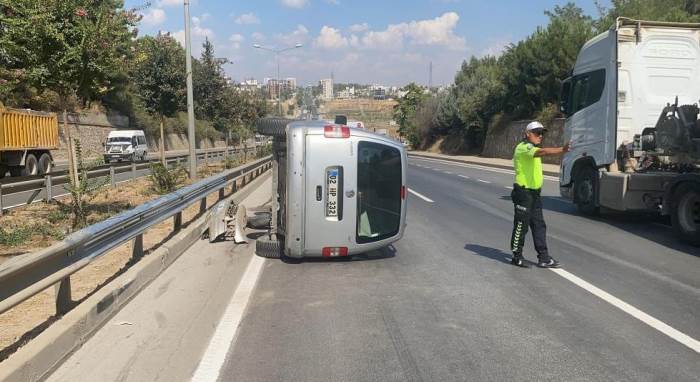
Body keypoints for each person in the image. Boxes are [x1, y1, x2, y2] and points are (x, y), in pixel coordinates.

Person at [510, 121, 570, 268]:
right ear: (527, 134)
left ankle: (543, 257)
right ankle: (516, 256)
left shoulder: (532, 148)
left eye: (542, 133)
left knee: (539, 225)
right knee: (521, 226)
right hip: (523, 193)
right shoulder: (524, 148)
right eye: (537, 133)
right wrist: (562, 149)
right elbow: (542, 152)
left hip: (535, 194)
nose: (540, 136)